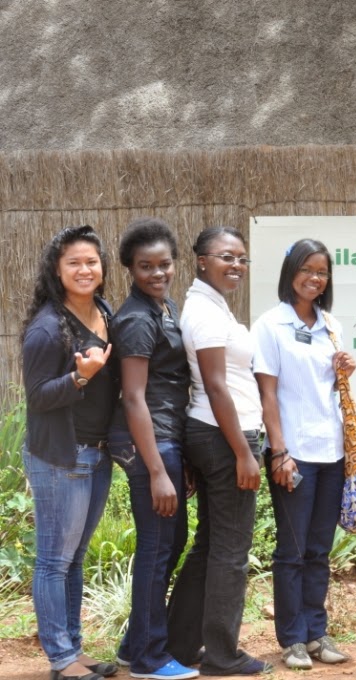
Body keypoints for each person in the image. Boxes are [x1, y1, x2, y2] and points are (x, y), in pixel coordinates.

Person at [165, 227, 273, 675]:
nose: (237, 266)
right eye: (226, 257)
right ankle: (224, 654)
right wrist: (244, 454)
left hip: (216, 434)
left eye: (242, 259)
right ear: (201, 261)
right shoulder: (206, 312)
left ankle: (181, 644)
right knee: (230, 549)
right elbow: (214, 384)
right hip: (226, 438)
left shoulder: (211, 305)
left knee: (211, 545)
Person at [252, 239, 356, 669]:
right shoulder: (270, 325)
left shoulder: (331, 325)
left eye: (323, 272)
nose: (315, 278)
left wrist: (342, 372)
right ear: (291, 271)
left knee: (319, 550)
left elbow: (327, 393)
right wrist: (279, 452)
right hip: (293, 454)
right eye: (308, 269)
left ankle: (317, 633)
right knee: (292, 551)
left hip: (331, 452)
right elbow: (268, 395)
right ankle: (292, 639)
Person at [21, 225, 118, 680]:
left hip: (96, 455)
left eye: (91, 261)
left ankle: (74, 650)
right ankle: (60, 658)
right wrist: (82, 377)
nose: (85, 269)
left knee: (74, 559)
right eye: (74, 263)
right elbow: (38, 396)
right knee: (53, 561)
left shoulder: (103, 310)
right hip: (61, 457)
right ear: (57, 271)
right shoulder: (46, 327)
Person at [107, 218, 196, 680]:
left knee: (170, 540)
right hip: (149, 440)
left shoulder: (166, 307)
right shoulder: (138, 319)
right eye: (146, 267)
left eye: (164, 264)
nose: (157, 273)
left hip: (167, 437)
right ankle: (148, 659)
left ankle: (132, 646)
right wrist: (158, 469)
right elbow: (134, 396)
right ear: (130, 268)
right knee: (158, 546)